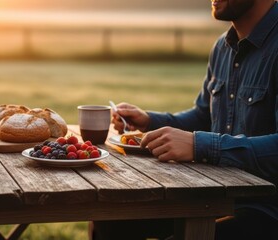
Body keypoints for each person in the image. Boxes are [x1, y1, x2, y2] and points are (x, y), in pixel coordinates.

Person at [91, 0, 278, 239]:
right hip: (211, 195)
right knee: (112, 218)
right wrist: (149, 120)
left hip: (266, 208)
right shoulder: (222, 47)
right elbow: (203, 115)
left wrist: (199, 145)